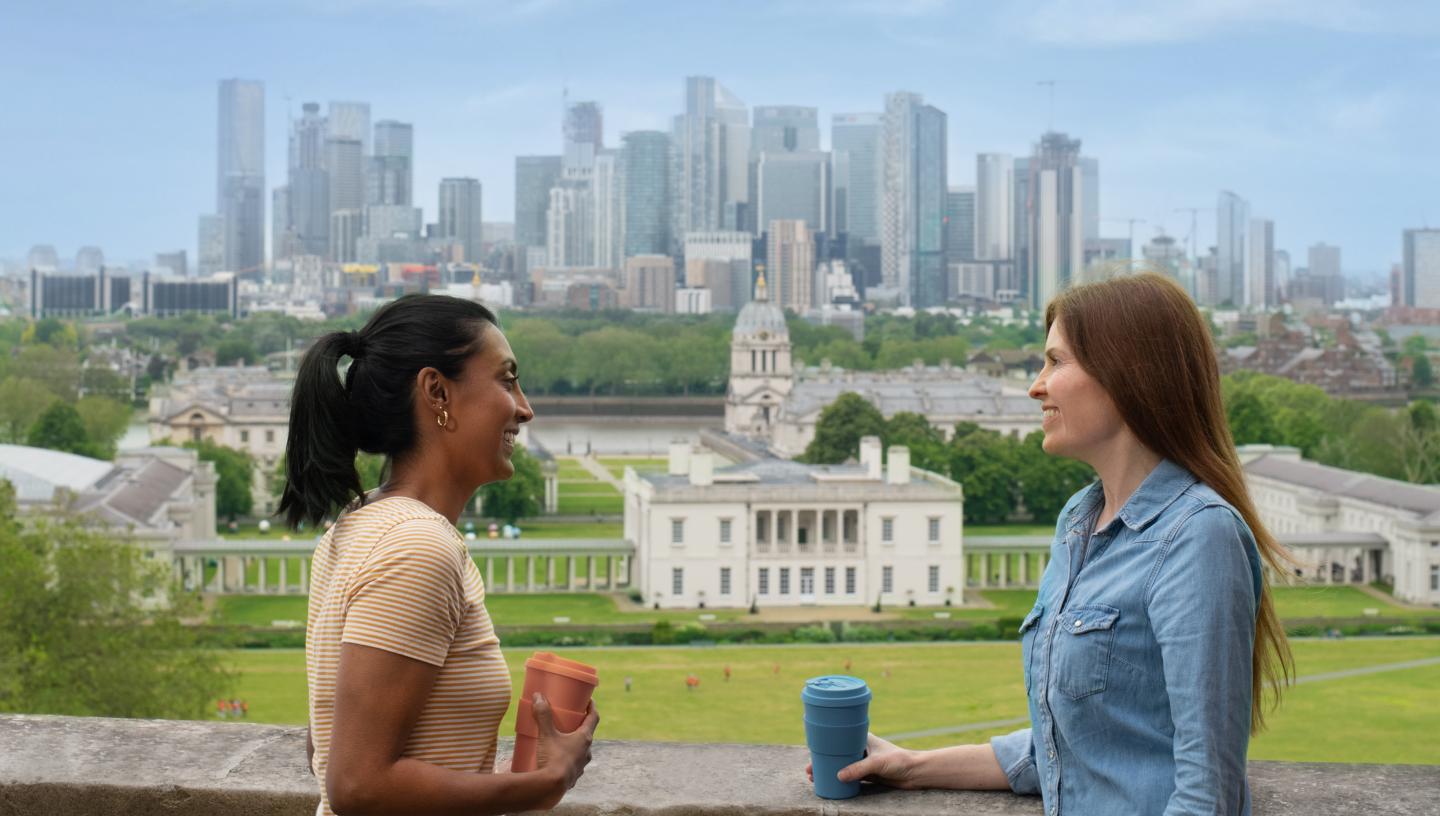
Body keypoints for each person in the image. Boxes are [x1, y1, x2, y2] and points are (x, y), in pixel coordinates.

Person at [815, 273, 1293, 815]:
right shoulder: (1078, 520)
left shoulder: (1199, 536)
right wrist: (912, 766)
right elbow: (1071, 747)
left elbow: (1207, 795)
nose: (1035, 385)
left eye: (1056, 362)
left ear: (1126, 374)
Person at [279, 295, 598, 816]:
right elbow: (357, 785)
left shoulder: (359, 523)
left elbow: (328, 743)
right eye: (506, 379)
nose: (525, 407)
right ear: (436, 392)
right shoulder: (417, 547)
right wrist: (547, 780)